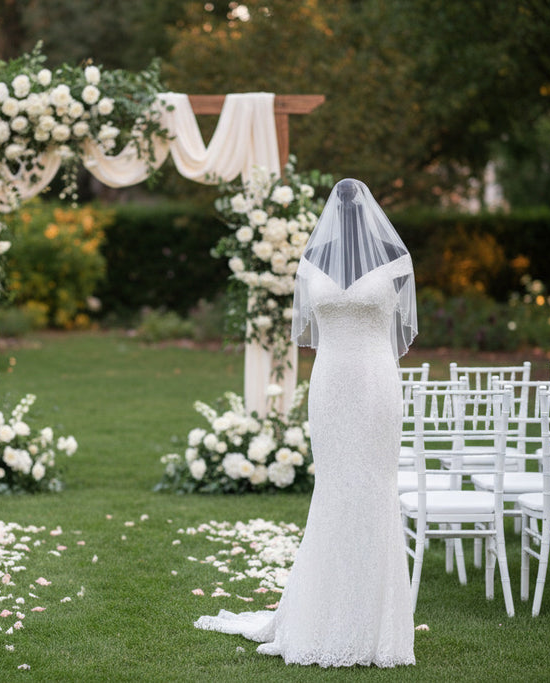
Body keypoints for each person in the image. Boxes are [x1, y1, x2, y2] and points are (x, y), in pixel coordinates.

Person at [194, 178, 418, 667]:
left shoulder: (393, 257)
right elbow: (309, 331)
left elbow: (399, 328)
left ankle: (377, 628)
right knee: (335, 488)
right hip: (331, 383)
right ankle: (320, 613)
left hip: (377, 384)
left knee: (376, 488)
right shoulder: (314, 260)